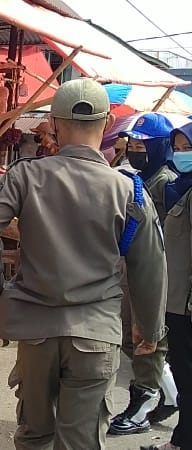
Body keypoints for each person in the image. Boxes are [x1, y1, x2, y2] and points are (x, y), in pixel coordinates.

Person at [0, 78, 168, 449]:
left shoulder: (25, 176)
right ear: (108, 123)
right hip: (96, 333)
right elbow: (149, 265)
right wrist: (149, 327)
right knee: (80, 442)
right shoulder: (129, 190)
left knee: (34, 436)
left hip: (36, 329)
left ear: (55, 124)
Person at [110, 114, 179, 436]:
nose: (136, 150)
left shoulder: (166, 183)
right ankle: (167, 391)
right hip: (132, 269)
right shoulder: (138, 179)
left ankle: (144, 402)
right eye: (132, 144)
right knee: (132, 336)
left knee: (149, 338)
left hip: (156, 271)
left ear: (159, 147)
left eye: (142, 145)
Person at [142, 122, 192, 450]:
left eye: (187, 147)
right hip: (176, 301)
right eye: (178, 147)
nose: (181, 154)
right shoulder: (183, 188)